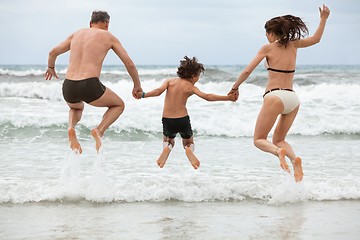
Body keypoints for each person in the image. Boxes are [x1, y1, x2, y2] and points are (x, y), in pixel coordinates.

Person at [228, 5, 330, 182]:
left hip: (275, 96)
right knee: (280, 138)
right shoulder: (295, 44)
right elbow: (316, 39)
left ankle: (278, 152)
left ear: (272, 33)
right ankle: (294, 159)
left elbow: (247, 71)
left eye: (267, 34)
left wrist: (235, 86)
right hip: (292, 98)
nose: (266, 37)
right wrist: (323, 19)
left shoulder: (267, 48)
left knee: (259, 139)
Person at [44, 11, 142, 154]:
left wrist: (51, 68)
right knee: (118, 105)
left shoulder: (77, 34)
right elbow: (130, 64)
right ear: (106, 23)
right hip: (89, 84)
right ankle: (99, 130)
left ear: (91, 23)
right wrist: (137, 85)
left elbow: (52, 52)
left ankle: (71, 128)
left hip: (69, 85)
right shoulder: (109, 36)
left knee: (76, 108)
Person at [136, 56, 236, 169]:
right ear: (193, 76)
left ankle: (167, 147)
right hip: (182, 119)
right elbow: (207, 96)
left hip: (167, 119)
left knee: (168, 140)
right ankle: (189, 150)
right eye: (198, 75)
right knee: (189, 142)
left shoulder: (169, 81)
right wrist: (228, 98)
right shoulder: (191, 87)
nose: (198, 78)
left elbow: (158, 91)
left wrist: (143, 95)